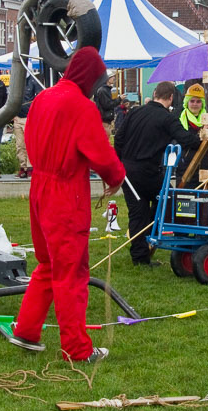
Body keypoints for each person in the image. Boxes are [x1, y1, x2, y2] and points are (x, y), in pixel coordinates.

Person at [10, 46, 124, 364]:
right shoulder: (81, 108)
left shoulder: (43, 98)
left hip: (40, 188)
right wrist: (115, 175)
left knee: (48, 265)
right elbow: (102, 154)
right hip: (64, 195)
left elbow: (29, 138)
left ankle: (27, 329)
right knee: (71, 273)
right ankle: (77, 348)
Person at [114, 81, 200, 266]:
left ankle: (140, 257)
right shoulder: (166, 118)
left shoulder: (135, 111)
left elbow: (119, 138)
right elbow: (185, 139)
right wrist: (202, 140)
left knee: (138, 213)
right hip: (147, 171)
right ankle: (156, 234)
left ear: (154, 94)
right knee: (168, 198)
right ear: (171, 97)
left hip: (127, 171)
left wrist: (119, 163)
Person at [176, 83, 208, 188]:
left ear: (202, 104)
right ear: (187, 102)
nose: (195, 104)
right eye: (192, 101)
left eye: (198, 101)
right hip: (185, 169)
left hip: (204, 167)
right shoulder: (178, 119)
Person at [14, 74, 42, 179]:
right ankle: (23, 167)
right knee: (19, 144)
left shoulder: (34, 81)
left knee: (29, 143)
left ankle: (30, 167)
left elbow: (39, 97)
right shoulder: (16, 81)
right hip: (17, 117)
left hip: (29, 117)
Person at [94, 74, 122, 140]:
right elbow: (107, 105)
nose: (114, 78)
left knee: (107, 135)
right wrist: (119, 99)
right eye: (112, 77)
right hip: (104, 117)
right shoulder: (103, 90)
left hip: (106, 117)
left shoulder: (106, 89)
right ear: (107, 79)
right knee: (105, 137)